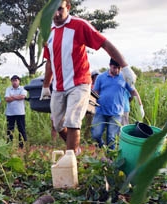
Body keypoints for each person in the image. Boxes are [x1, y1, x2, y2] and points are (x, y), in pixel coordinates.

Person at [40, 0, 137, 156]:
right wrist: (46, 85)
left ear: (68, 7)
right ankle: (75, 150)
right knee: (57, 124)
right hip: (59, 86)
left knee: (72, 122)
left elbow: (105, 43)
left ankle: (71, 162)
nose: (56, 14)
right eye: (53, 10)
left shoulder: (79, 25)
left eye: (60, 9)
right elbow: (49, 61)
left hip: (79, 83)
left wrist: (124, 66)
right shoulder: (48, 31)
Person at [91, 58, 144, 149]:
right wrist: (92, 104)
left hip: (116, 113)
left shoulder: (124, 78)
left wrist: (140, 106)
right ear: (110, 65)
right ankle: (101, 145)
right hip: (100, 111)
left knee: (112, 138)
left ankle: (111, 158)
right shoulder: (101, 77)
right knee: (96, 134)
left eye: (119, 68)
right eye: (115, 67)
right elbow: (95, 92)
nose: (117, 70)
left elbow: (133, 92)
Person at [4, 75, 28, 148]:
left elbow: (23, 96)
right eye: (13, 81)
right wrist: (17, 96)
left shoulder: (22, 88)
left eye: (16, 80)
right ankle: (9, 145)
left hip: (20, 112)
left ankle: (22, 145)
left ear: (19, 81)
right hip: (10, 113)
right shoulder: (8, 89)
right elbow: (7, 99)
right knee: (10, 129)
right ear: (11, 81)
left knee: (21, 129)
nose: (14, 82)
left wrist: (12, 96)